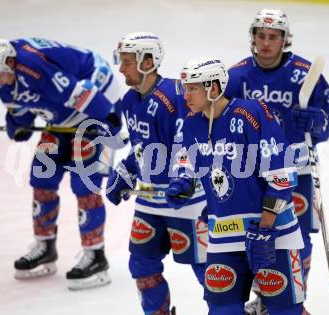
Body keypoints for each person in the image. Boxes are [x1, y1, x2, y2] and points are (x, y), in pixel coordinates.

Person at [0, 37, 125, 290]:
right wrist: (17, 127)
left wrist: (110, 119)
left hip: (93, 108)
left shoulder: (36, 68)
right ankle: (44, 246)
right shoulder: (0, 76)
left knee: (84, 183)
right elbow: (18, 110)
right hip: (61, 117)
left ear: (11, 62)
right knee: (42, 177)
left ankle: (95, 255)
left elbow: (81, 92)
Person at [166, 56, 306, 315]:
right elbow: (186, 160)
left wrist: (266, 224)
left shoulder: (250, 113)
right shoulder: (191, 123)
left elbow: (282, 171)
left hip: (273, 231)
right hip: (224, 233)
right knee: (222, 309)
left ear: (214, 89)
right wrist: (182, 182)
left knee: (284, 310)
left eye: (193, 88)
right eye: (185, 88)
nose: (186, 95)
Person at [224, 9, 329, 314]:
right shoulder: (236, 75)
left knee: (298, 242)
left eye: (273, 36)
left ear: (284, 39)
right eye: (261, 35)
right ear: (253, 38)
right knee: (260, 236)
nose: (265, 42)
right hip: (252, 175)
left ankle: (293, 301)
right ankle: (264, 298)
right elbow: (220, 117)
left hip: (297, 172)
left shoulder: (304, 72)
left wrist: (317, 123)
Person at [105, 32, 208, 314]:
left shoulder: (176, 95)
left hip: (188, 202)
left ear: (148, 62)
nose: (121, 69)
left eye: (127, 62)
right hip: (150, 203)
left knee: (209, 272)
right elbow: (143, 148)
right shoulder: (130, 101)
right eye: (121, 62)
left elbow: (193, 143)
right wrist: (126, 171)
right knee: (141, 265)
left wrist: (186, 179)